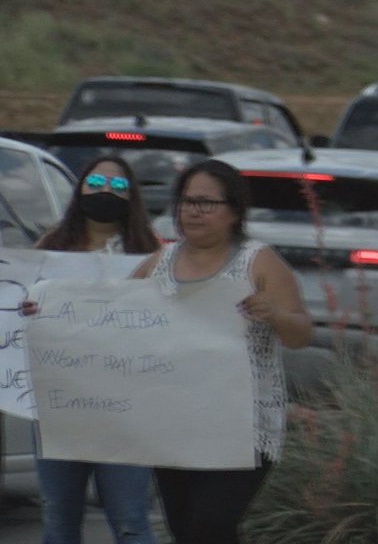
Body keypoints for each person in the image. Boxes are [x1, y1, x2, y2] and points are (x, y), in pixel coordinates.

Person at [130, 158, 313, 543]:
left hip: (240, 427)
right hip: (174, 424)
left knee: (210, 525)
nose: (194, 210)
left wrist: (274, 313)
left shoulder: (257, 261)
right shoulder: (160, 262)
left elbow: (300, 333)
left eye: (206, 202)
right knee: (185, 528)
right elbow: (110, 316)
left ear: (234, 212)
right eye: (186, 201)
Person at [33, 155, 161, 544]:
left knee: (129, 520)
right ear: (80, 189)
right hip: (60, 405)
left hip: (126, 410)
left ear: (132, 195)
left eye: (118, 186)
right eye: (96, 183)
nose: (106, 191)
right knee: (59, 517)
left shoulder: (151, 251)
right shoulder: (50, 247)